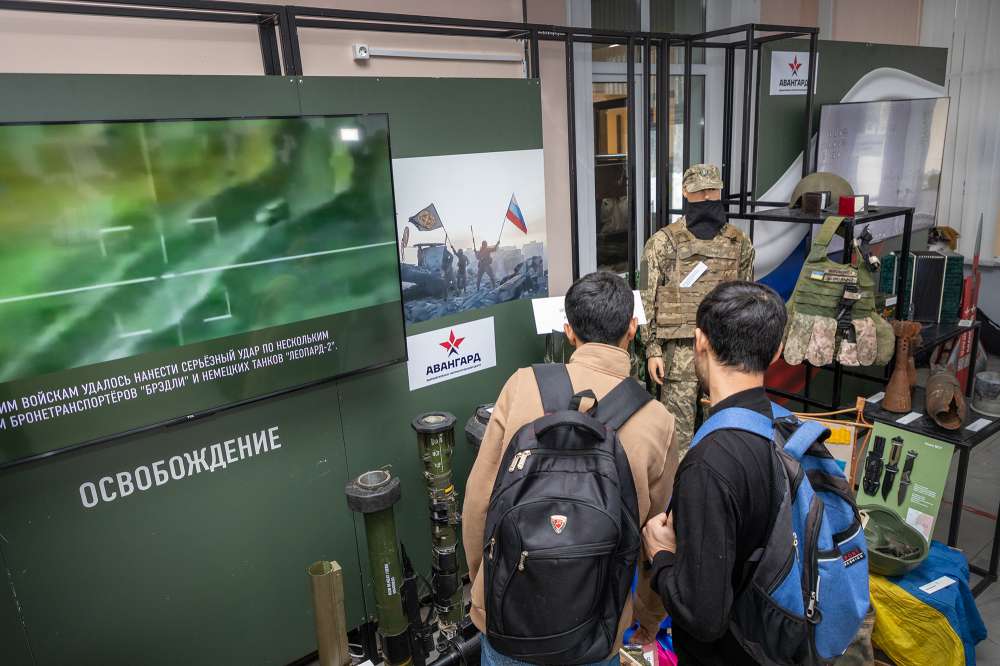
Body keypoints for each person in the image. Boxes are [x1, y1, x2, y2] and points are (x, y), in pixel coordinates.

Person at [463, 270, 678, 666]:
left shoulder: (521, 385)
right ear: (632, 328)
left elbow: (479, 504)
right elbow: (657, 536)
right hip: (596, 632)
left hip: (509, 623)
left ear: (568, 331)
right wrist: (648, 616)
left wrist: (485, 589)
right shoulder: (657, 420)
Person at [640, 280, 787, 666]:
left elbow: (703, 617)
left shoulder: (709, 464)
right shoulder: (787, 428)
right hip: (779, 640)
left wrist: (661, 555)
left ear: (700, 341)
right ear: (777, 352)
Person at [640, 164, 754, 457]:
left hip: (723, 352)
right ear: (685, 192)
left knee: (722, 432)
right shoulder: (662, 243)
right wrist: (652, 349)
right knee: (676, 439)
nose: (706, 196)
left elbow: (745, 301)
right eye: (699, 191)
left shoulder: (739, 243)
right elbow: (646, 299)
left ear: (720, 191)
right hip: (678, 355)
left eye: (712, 190)